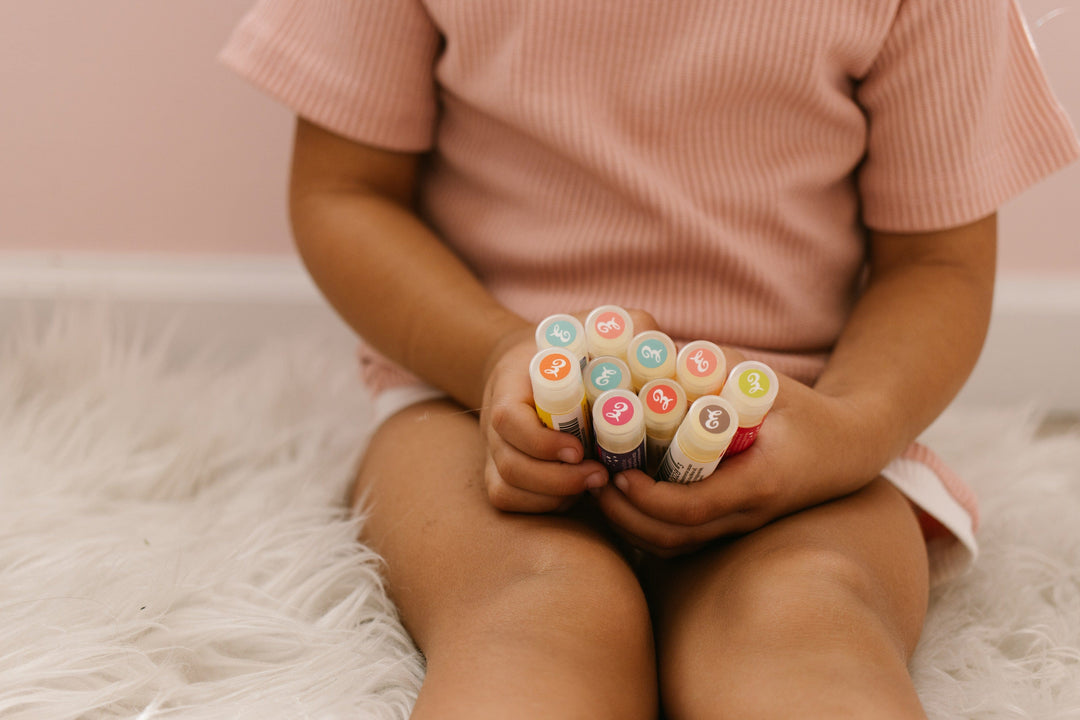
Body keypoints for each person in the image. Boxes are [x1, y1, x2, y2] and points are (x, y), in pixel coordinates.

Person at [221, 1, 1079, 717]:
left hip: (793, 415)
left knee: (805, 614)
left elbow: (936, 266)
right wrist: (492, 353)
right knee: (531, 608)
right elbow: (346, 190)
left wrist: (851, 429)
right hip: (475, 401)